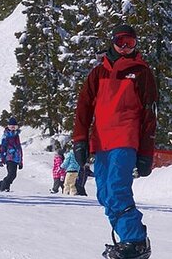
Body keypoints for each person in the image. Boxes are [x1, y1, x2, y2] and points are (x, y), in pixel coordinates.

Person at [72, 24, 157, 259]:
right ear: (113, 41)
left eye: (131, 43)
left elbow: (150, 115)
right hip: (101, 142)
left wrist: (146, 153)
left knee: (118, 191)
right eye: (121, 42)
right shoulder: (98, 73)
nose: (125, 48)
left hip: (126, 139)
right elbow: (83, 108)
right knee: (105, 194)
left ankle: (135, 240)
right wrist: (80, 140)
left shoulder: (141, 72)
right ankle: (128, 240)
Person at [0, 117, 23, 192]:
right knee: (11, 174)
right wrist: (1, 158)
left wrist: (20, 161)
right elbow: (2, 147)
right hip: (9, 157)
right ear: (8, 127)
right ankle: (4, 187)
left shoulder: (17, 135)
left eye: (15, 127)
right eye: (11, 127)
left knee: (13, 175)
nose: (13, 128)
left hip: (15, 158)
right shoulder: (6, 135)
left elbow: (19, 149)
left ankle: (2, 185)